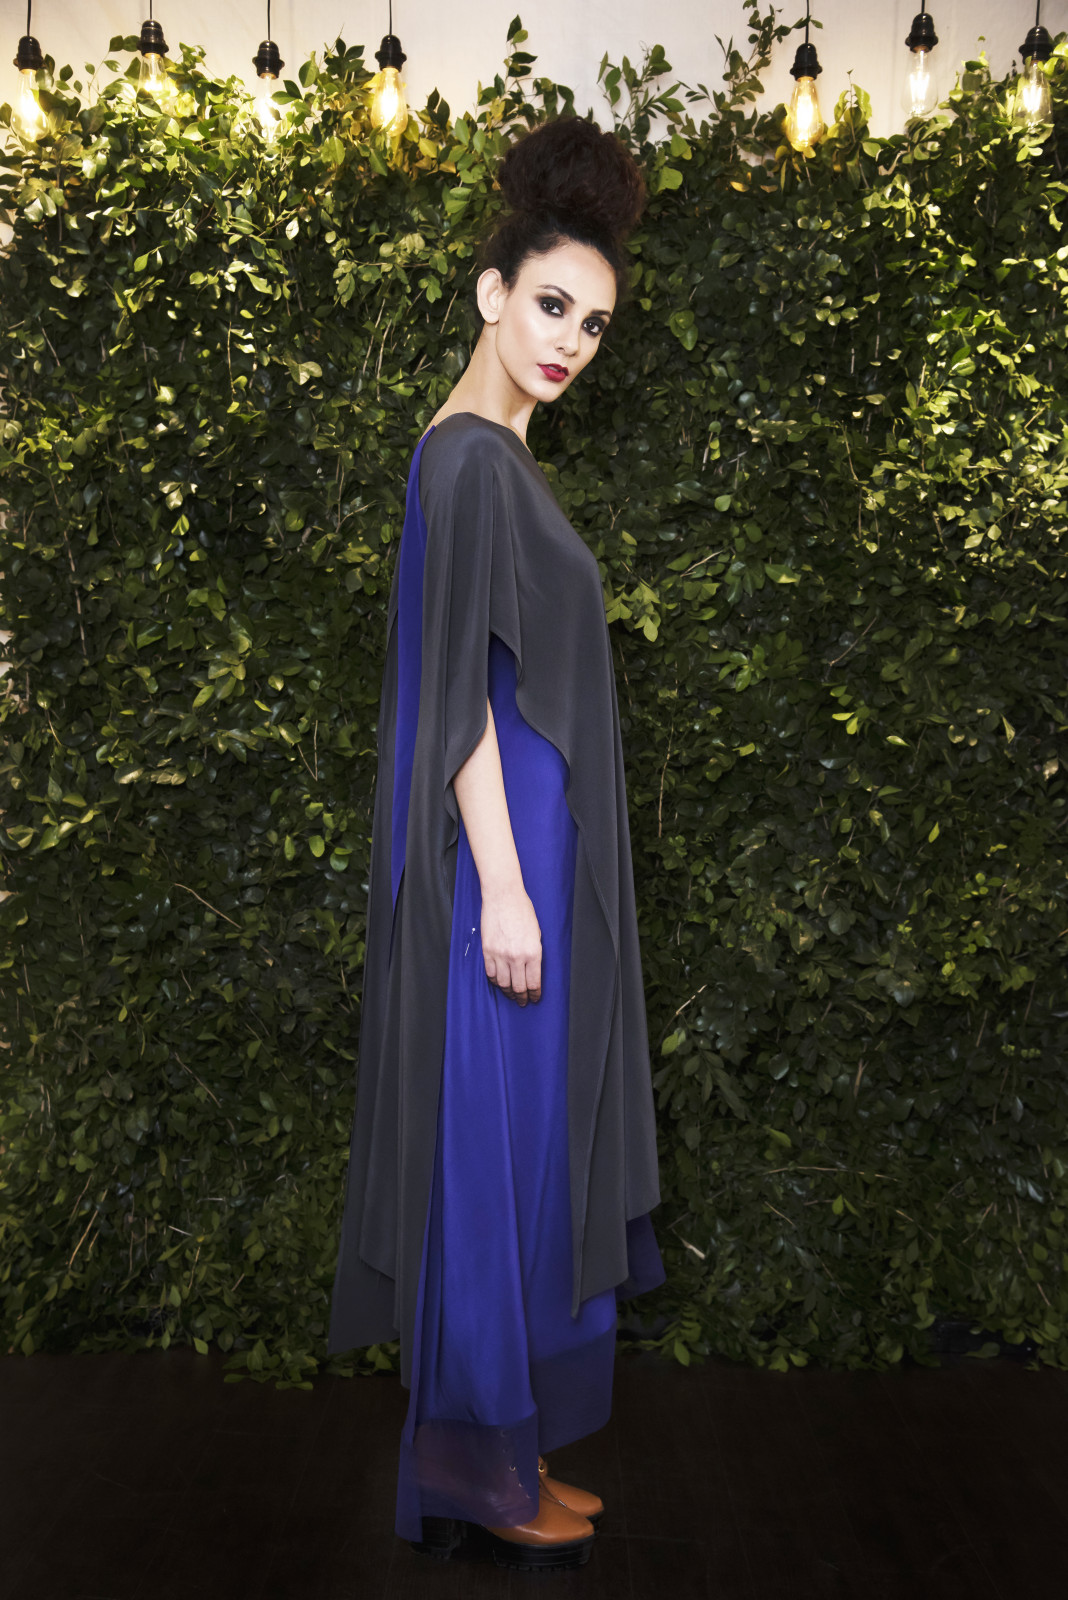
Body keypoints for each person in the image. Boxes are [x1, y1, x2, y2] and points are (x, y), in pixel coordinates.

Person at [326, 114, 666, 1574]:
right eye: (551, 305)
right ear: (490, 291)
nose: (571, 340)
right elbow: (454, 689)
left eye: (593, 322)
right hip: (501, 866)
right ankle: (472, 1469)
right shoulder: (468, 458)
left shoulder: (495, 455)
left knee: (521, 1161)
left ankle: (500, 1456)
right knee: (488, 1165)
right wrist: (511, 890)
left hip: (524, 856)